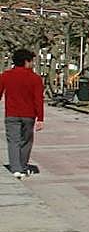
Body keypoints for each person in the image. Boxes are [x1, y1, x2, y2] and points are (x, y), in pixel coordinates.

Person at [0, 49, 45, 180]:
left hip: (11, 114)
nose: (33, 64)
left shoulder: (6, 76)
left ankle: (16, 169)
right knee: (26, 141)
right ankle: (23, 166)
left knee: (13, 141)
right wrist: (40, 118)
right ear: (26, 62)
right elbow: (38, 99)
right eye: (32, 61)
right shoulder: (35, 78)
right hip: (29, 115)